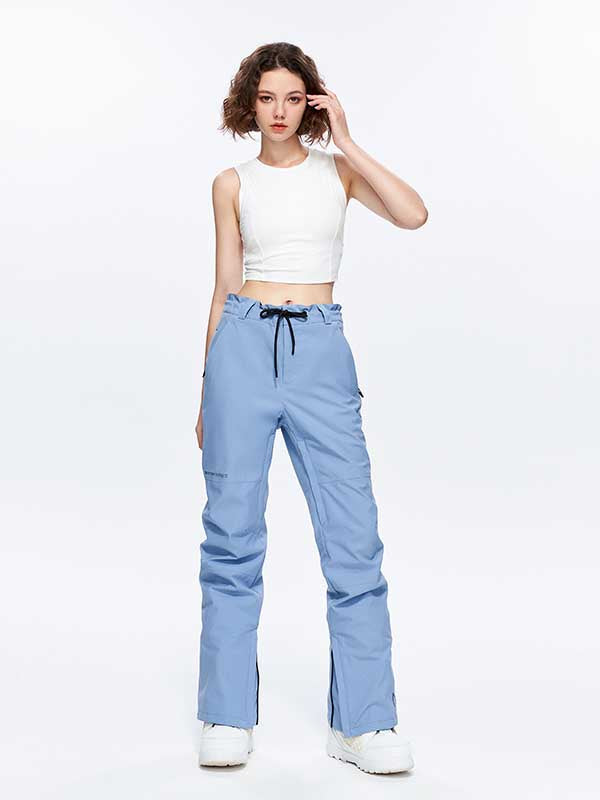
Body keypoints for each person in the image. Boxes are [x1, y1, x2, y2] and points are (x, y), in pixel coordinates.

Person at [195, 42, 427, 774]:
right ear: (249, 103)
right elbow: (223, 284)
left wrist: (348, 140)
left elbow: (414, 215)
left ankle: (364, 723)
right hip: (241, 348)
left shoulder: (338, 173)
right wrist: (206, 387)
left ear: (312, 103)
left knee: (353, 540)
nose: (280, 111)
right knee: (231, 538)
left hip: (320, 352)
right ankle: (226, 714)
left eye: (294, 98)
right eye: (267, 98)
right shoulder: (231, 183)